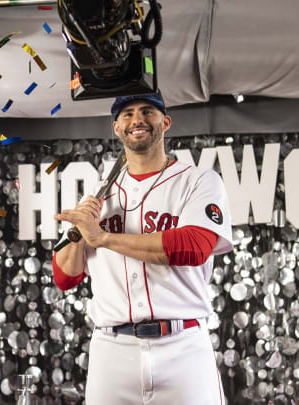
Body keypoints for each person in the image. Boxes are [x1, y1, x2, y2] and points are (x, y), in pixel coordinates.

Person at [52, 91, 233, 405]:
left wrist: (104, 238)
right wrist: (80, 231)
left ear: (165, 121)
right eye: (128, 113)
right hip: (113, 350)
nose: (137, 119)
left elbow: (193, 247)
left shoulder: (199, 181)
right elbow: (65, 277)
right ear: (117, 128)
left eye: (147, 111)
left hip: (183, 346)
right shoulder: (96, 195)